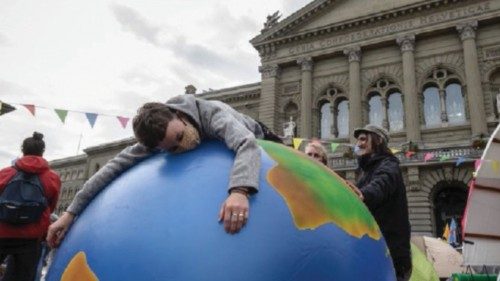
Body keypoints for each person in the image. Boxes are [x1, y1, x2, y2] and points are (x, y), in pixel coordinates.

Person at [47, 94, 282, 248]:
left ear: (179, 115)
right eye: (171, 148)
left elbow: (246, 143)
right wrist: (70, 214)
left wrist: (240, 191)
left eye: (180, 136)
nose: (184, 146)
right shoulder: (154, 139)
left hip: (264, 137)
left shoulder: (211, 114)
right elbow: (112, 168)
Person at [351, 124, 412, 281]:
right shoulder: (366, 172)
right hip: (373, 253)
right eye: (358, 140)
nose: (358, 143)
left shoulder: (389, 164)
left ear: (378, 141)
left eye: (364, 139)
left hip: (391, 258)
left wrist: (364, 194)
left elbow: (382, 183)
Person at [0, 132, 61, 281]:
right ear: (42, 152)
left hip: (2, 231)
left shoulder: (5, 173)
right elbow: (51, 207)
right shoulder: (52, 177)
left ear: (23, 150)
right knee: (24, 277)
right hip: (31, 236)